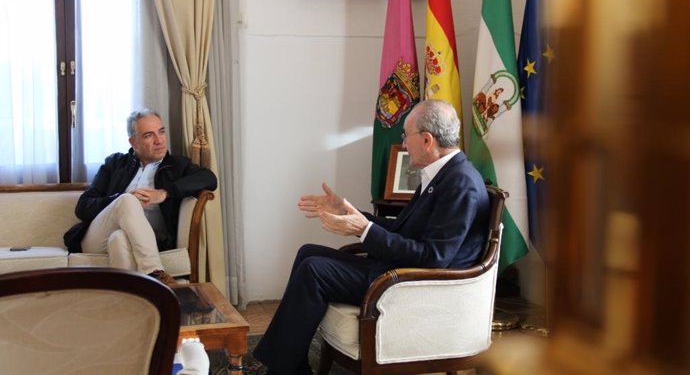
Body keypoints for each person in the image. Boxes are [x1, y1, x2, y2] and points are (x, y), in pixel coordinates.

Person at [253, 99, 490, 374]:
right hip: (398, 271)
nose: (403, 143)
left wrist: (362, 230)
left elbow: (434, 258)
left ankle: (284, 370)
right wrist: (350, 212)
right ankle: (291, 365)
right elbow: (403, 230)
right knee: (308, 252)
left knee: (313, 270)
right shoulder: (443, 175)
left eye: (406, 135)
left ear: (427, 140)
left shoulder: (460, 183)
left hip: (413, 286)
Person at [63, 108, 217, 286]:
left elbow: (209, 178)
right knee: (127, 200)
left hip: (145, 241)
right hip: (98, 238)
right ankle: (155, 272)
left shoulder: (176, 166)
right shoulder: (114, 164)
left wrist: (165, 193)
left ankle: (128, 306)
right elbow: (83, 207)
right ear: (133, 141)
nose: (159, 141)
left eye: (161, 132)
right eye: (149, 135)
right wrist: (120, 198)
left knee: (119, 239)